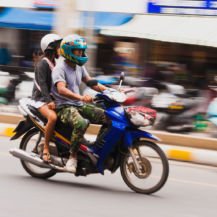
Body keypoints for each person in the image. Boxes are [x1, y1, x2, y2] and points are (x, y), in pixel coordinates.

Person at [51, 34, 109, 173]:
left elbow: (90, 82)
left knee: (109, 117)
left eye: (82, 51)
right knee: (82, 123)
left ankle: (97, 148)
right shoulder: (60, 68)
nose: (81, 54)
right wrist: (81, 97)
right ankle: (73, 156)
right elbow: (61, 89)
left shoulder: (79, 66)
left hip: (77, 104)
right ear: (69, 51)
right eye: (78, 51)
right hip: (63, 107)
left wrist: (111, 91)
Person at [31, 33, 62, 163]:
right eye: (58, 47)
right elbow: (42, 85)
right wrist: (49, 101)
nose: (60, 49)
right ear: (51, 48)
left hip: (50, 99)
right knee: (53, 117)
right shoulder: (43, 64)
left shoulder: (54, 63)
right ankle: (46, 148)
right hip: (40, 100)